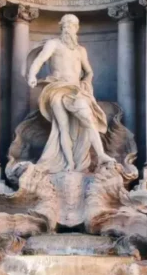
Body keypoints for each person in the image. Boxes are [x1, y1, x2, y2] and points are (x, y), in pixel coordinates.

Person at [25, 14, 116, 172]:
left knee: (88, 119)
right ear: (61, 27)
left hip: (75, 90)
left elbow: (89, 71)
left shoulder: (81, 50)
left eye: (72, 25)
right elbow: (39, 60)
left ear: (77, 29)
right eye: (66, 24)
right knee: (63, 127)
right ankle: (69, 164)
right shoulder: (53, 44)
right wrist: (32, 75)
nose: (69, 27)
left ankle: (101, 154)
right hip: (56, 89)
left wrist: (86, 82)